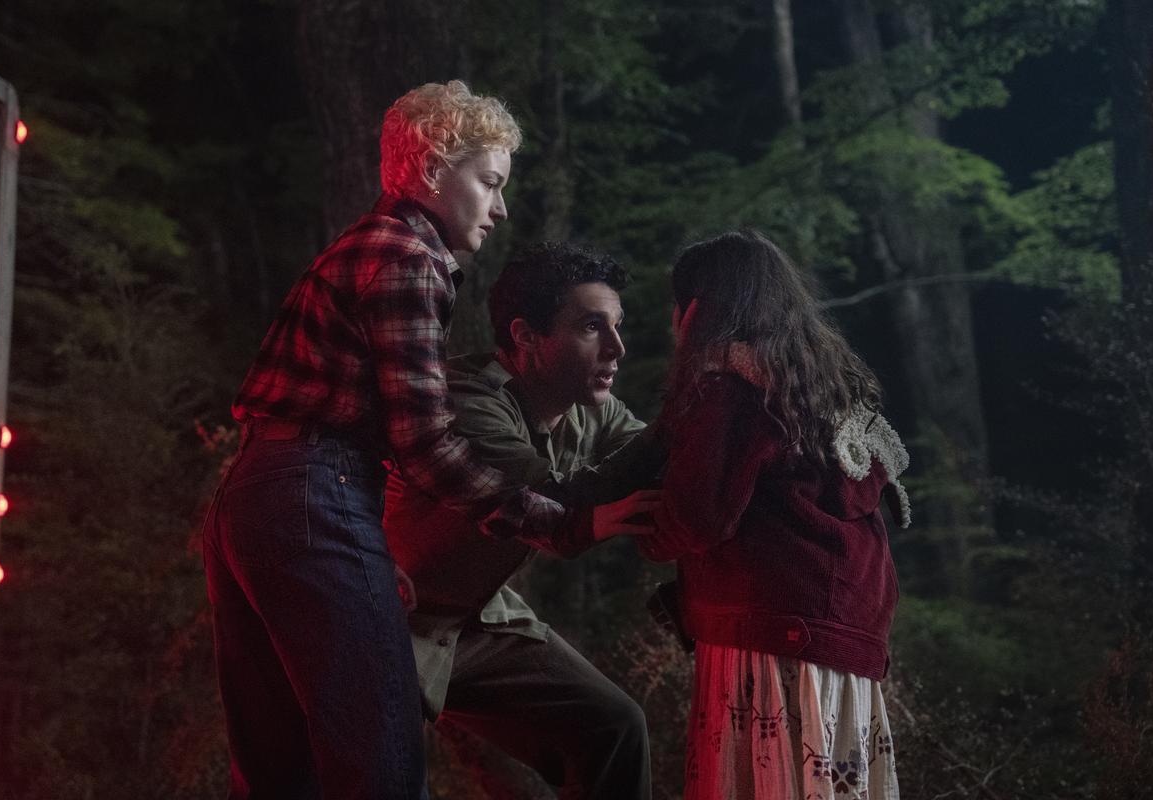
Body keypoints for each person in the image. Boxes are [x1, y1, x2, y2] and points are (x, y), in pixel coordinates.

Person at [202, 81, 564, 800]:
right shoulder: (407, 258)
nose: (501, 208)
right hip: (312, 494)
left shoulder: (366, 245)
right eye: (489, 183)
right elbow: (425, 440)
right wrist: (542, 516)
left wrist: (363, 542)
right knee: (381, 764)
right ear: (433, 170)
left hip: (254, 499)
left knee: (278, 771)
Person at [383, 242, 664, 799]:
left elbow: (655, 456)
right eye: (591, 327)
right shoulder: (467, 400)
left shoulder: (592, 409)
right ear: (526, 337)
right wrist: (666, 445)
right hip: (391, 618)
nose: (617, 347)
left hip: (479, 618)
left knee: (612, 727)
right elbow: (549, 506)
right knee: (377, 778)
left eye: (617, 325)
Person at [641, 230, 910, 800]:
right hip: (842, 639)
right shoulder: (822, 390)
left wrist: (643, 527)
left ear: (695, 312)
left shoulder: (734, 390)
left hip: (769, 638)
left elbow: (697, 516)